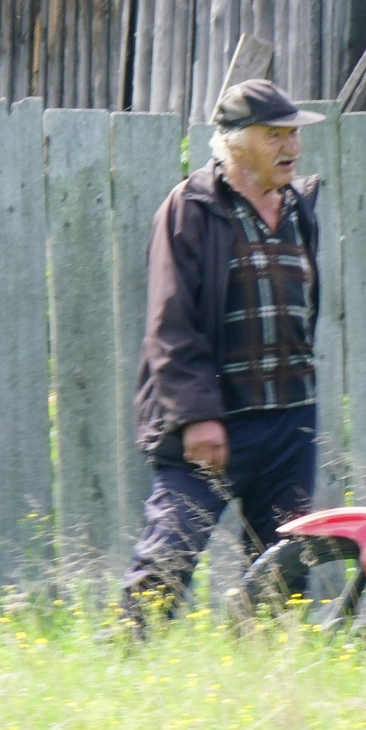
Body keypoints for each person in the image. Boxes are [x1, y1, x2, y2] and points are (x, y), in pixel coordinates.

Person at [122, 78, 329, 623]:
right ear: (234, 141)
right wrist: (197, 419)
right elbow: (170, 325)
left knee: (283, 569)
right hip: (216, 424)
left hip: (289, 422)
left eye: (294, 134)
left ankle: (264, 680)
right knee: (166, 560)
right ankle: (121, 664)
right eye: (276, 136)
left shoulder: (298, 208)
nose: (292, 147)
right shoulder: (190, 207)